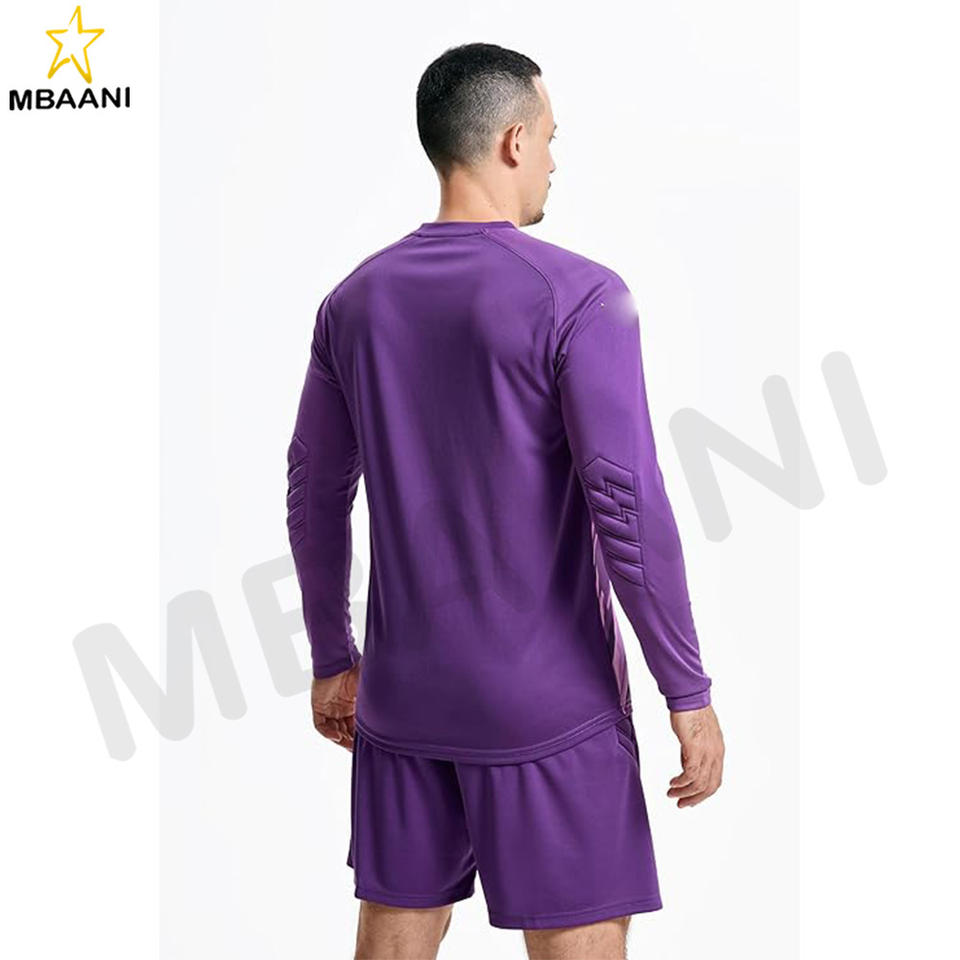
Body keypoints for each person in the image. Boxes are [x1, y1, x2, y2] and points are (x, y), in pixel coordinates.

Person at [286, 41, 725, 960]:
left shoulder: (352, 303)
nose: (555, 161)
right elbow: (628, 507)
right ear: (514, 141)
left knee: (393, 939)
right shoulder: (580, 296)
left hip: (403, 703)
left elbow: (315, 493)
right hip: (550, 710)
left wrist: (333, 658)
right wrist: (684, 687)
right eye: (553, 139)